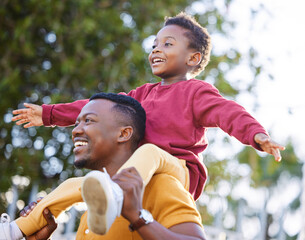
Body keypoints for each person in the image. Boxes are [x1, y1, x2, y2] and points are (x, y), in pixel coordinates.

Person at [10, 11, 285, 235]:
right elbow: (97, 108)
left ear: (193, 58)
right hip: (134, 173)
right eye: (154, 44)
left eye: (167, 44)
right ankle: (18, 229)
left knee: (150, 151)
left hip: (176, 168)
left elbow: (228, 112)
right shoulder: (141, 94)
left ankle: (116, 196)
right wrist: (48, 115)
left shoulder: (196, 92)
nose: (156, 49)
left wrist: (257, 135)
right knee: (74, 184)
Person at [1, 93, 207, 240]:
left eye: (88, 121)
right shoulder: (94, 209)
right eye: (77, 123)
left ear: (124, 134)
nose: (76, 131)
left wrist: (137, 216)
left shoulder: (161, 185)